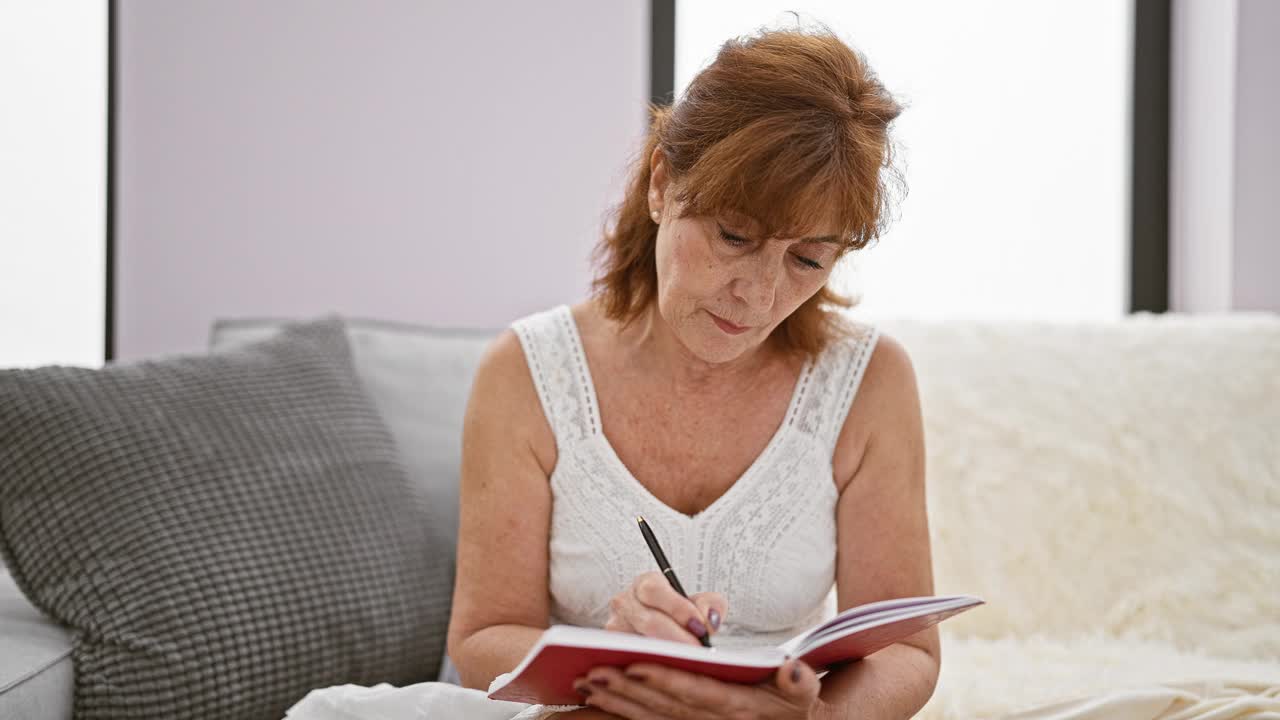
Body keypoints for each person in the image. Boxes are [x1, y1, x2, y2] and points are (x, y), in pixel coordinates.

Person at [284, 22, 935, 720]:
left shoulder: (870, 381)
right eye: (734, 236)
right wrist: (610, 669)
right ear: (662, 183)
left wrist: (808, 716)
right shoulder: (527, 372)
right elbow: (481, 641)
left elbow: (909, 653)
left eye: (807, 258)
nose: (760, 294)